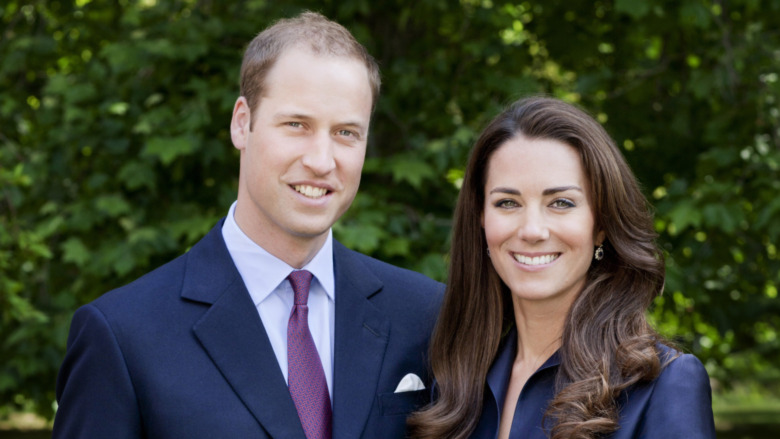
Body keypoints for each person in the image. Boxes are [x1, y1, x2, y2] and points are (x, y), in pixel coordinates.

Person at [54, 11, 443, 439]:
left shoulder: (425, 315)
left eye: (347, 133)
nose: (321, 160)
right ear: (243, 122)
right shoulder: (123, 336)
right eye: (297, 125)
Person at [407, 96, 716, 439]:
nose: (532, 230)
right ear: (481, 219)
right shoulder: (454, 382)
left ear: (601, 224)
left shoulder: (664, 384)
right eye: (507, 202)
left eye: (561, 203)